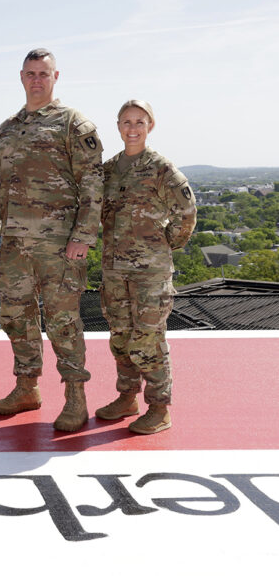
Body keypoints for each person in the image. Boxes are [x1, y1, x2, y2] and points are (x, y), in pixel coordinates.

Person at [0, 49, 103, 432]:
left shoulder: (73, 124)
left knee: (63, 321)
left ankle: (75, 397)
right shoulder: (7, 128)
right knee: (17, 318)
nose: (36, 80)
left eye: (43, 74)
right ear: (21, 77)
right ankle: (27, 387)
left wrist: (83, 236)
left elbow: (93, 183)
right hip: (15, 245)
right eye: (30, 73)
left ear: (56, 77)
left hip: (59, 246)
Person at [95, 100, 196, 434]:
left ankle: (159, 407)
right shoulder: (109, 170)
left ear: (150, 125)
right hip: (115, 268)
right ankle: (127, 397)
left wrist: (165, 243)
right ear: (119, 125)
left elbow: (187, 211)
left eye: (139, 121)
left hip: (150, 271)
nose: (133, 127)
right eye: (126, 121)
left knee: (148, 338)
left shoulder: (161, 168)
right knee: (121, 336)